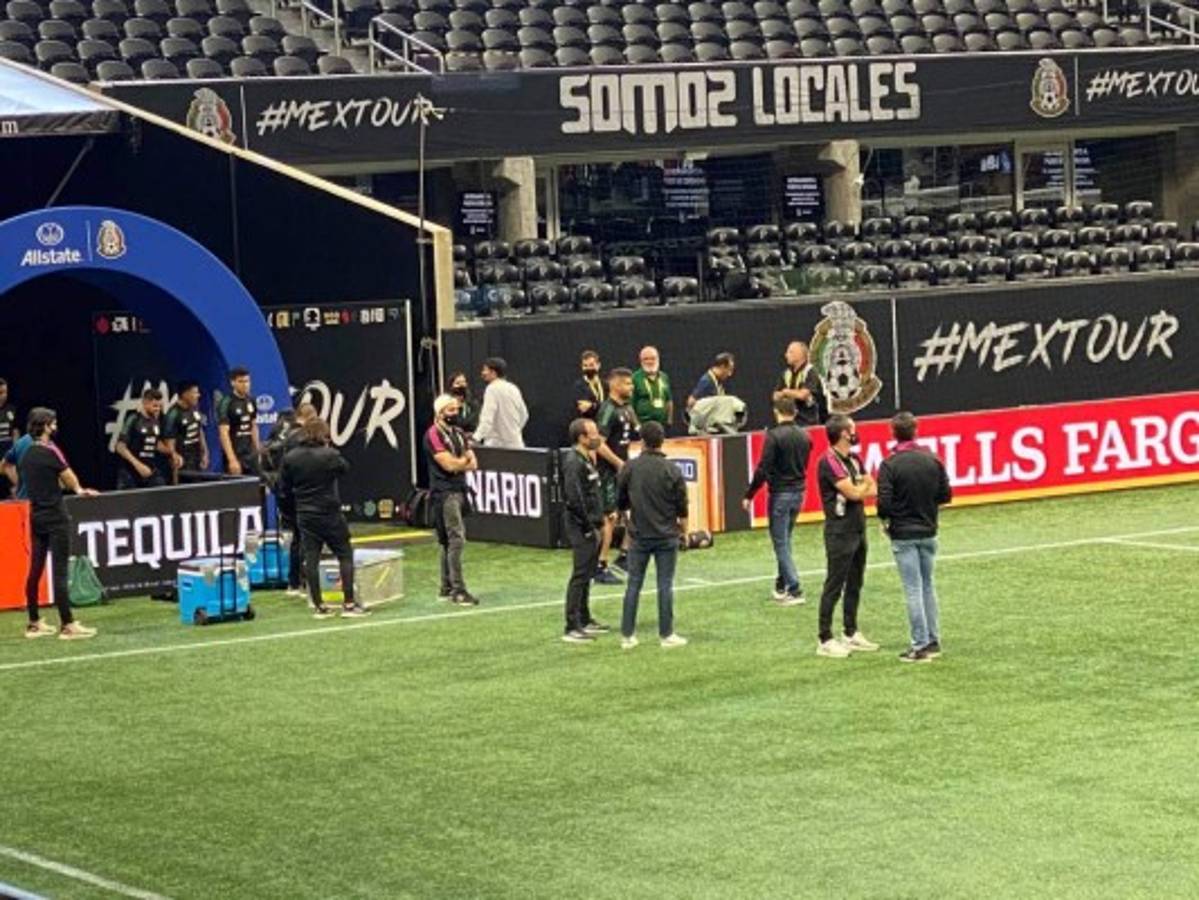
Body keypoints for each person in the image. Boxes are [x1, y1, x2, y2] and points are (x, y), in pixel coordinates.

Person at [878, 412, 953, 664]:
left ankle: (919, 645)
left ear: (893, 433)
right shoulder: (932, 459)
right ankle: (932, 640)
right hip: (928, 530)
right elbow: (945, 495)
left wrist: (889, 521)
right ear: (915, 431)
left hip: (903, 533)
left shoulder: (890, 464)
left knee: (913, 588)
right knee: (927, 585)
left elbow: (884, 504)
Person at [19, 407, 99, 640]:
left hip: (36, 516)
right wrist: (79, 490)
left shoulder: (26, 454)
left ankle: (33, 622)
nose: (55, 426)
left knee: (35, 569)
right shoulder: (51, 451)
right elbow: (68, 477)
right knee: (60, 571)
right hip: (55, 515)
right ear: (45, 426)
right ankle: (67, 625)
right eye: (52, 423)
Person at [278, 417, 367, 618]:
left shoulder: (291, 457)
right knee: (344, 554)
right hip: (329, 512)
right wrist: (329, 450)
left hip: (305, 514)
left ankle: (319, 605)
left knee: (311, 557)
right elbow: (344, 468)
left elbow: (283, 488)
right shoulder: (329, 455)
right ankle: (349, 604)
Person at [617, 421, 689, 650]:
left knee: (633, 584)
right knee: (665, 585)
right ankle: (666, 634)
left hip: (639, 535)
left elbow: (621, 501)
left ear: (643, 441)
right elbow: (682, 507)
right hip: (666, 535)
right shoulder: (672, 470)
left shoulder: (630, 467)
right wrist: (684, 532)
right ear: (662, 441)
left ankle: (627, 635)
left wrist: (628, 523)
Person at [815, 414, 879, 658]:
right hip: (840, 531)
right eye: (852, 428)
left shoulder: (854, 458)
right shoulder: (828, 462)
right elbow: (853, 493)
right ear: (844, 433)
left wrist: (859, 489)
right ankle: (824, 638)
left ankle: (850, 632)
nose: (855, 432)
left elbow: (873, 487)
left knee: (855, 582)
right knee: (834, 585)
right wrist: (860, 489)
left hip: (858, 527)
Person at [742, 396, 812, 607]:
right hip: (799, 492)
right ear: (795, 412)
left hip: (781, 493)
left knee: (780, 542)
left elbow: (763, 468)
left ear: (776, 412)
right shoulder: (805, 436)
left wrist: (750, 494)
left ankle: (794, 588)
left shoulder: (773, 436)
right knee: (785, 540)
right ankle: (782, 584)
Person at [424, 393, 479, 606]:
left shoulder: (458, 433)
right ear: (440, 413)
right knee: (454, 539)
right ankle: (458, 589)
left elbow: (473, 463)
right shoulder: (433, 435)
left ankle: (446, 587)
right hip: (444, 493)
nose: (456, 413)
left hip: (459, 490)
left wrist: (460, 463)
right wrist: (462, 462)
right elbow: (448, 465)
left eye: (457, 409)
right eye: (451, 410)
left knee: (449, 541)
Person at [560, 417, 609, 643]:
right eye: (593, 433)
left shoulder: (586, 458)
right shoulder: (573, 461)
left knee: (588, 573)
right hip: (581, 526)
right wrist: (588, 526)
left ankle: (585, 618)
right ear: (581, 437)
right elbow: (574, 497)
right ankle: (571, 625)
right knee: (580, 575)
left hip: (592, 523)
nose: (597, 437)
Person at [264, 403, 318, 598]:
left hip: (282, 491)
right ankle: (302, 581)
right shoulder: (301, 437)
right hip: (297, 492)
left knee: (295, 538)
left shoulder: (280, 430)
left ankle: (293, 582)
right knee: (304, 537)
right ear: (310, 417)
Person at [594, 367, 639, 584]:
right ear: (614, 385)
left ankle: (624, 555)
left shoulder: (628, 408)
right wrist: (618, 463)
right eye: (627, 384)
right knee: (610, 517)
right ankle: (600, 565)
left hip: (625, 468)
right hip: (608, 471)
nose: (631, 387)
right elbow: (598, 444)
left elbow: (637, 432)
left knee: (635, 510)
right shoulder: (607, 409)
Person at [114, 388, 168, 490]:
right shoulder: (133, 419)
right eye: (155, 406)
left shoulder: (157, 421)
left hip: (150, 469)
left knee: (161, 491)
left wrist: (172, 453)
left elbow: (155, 442)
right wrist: (138, 465)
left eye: (159, 406)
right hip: (130, 471)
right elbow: (120, 447)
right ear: (145, 403)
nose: (157, 409)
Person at [473, 356, 528, 449]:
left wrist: (475, 438)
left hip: (496, 447)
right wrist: (513, 431)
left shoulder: (492, 389)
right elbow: (524, 415)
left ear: (493, 373)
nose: (482, 373)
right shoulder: (513, 388)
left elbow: (487, 419)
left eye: (485, 370)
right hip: (517, 445)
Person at [163, 380, 209, 483]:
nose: (198, 395)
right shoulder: (173, 414)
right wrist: (174, 458)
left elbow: (199, 430)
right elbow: (169, 443)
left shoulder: (195, 409)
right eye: (195, 392)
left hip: (196, 460)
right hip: (182, 463)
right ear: (185, 394)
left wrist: (205, 453)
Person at [218, 366, 260, 476]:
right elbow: (223, 433)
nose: (245, 385)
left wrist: (257, 450)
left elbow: (253, 425)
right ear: (233, 383)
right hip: (235, 455)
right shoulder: (226, 402)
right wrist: (232, 459)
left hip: (250, 455)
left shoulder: (251, 400)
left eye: (247, 381)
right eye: (241, 381)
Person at [773, 341, 826, 428]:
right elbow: (775, 396)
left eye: (790, 352)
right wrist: (787, 394)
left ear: (799, 355)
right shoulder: (787, 373)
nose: (786, 355)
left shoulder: (810, 372)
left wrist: (786, 392)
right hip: (790, 423)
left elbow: (803, 395)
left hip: (809, 423)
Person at [631, 345, 673, 431]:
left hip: (661, 426)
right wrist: (637, 425)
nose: (650, 361)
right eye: (646, 359)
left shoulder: (664, 377)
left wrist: (669, 420)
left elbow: (669, 400)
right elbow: (630, 405)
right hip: (643, 426)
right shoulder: (635, 378)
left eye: (653, 358)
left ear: (658, 359)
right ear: (641, 361)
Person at [572, 350, 605, 422]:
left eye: (591, 365)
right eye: (585, 366)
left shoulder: (605, 384)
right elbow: (584, 409)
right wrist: (601, 406)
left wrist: (593, 406)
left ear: (598, 365)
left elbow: (611, 407)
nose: (588, 368)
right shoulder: (579, 386)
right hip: (588, 424)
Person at [0, 378, 18, 496]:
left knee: (16, 487)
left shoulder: (11, 409)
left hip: (8, 452)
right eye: (0, 392)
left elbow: (15, 431)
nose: (3, 396)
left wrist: (17, 450)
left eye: (5, 392)